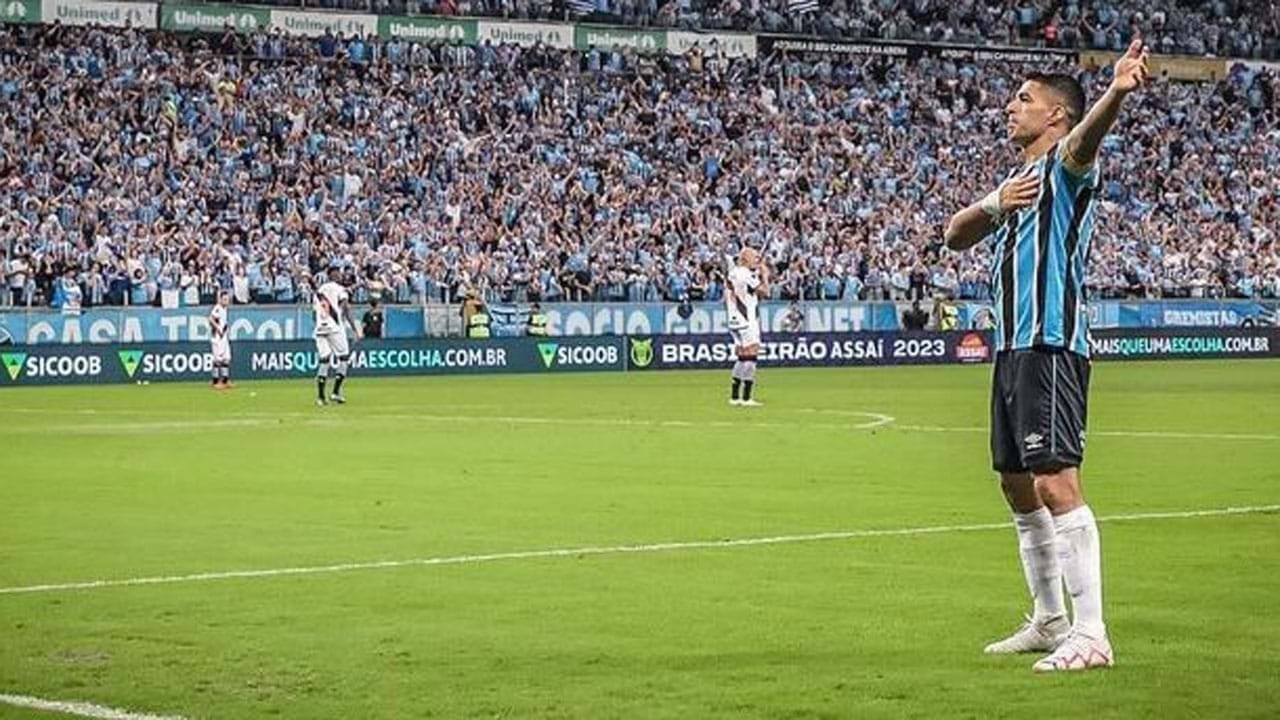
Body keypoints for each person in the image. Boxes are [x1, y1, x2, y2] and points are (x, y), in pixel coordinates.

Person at [944, 38, 1150, 672]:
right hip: (1011, 348)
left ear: (1056, 115)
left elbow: (1087, 142)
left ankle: (1091, 634)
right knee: (1016, 484)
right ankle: (1049, 618)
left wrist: (1114, 91)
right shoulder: (1013, 184)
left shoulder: (1066, 165)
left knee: (1056, 480)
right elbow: (954, 236)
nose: (1012, 106)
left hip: (1051, 342)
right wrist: (991, 203)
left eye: (1024, 99)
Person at [725, 248, 770, 407]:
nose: (757, 259)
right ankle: (746, 398)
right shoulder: (747, 274)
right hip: (747, 319)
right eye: (754, 256)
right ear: (745, 259)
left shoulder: (733, 273)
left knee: (742, 357)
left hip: (734, 319)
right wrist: (764, 276)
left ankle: (735, 396)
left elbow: (749, 293)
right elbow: (766, 292)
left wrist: (756, 272)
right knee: (751, 356)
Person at [313, 273, 362, 406]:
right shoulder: (340, 289)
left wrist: (318, 325)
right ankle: (335, 392)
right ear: (335, 276)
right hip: (335, 328)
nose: (341, 276)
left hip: (320, 329)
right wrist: (355, 329)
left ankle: (321, 397)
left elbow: (314, 312)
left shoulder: (319, 291)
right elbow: (346, 308)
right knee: (344, 357)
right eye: (339, 274)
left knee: (324, 360)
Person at [209, 290, 233, 389]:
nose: (227, 301)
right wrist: (218, 329)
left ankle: (225, 380)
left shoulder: (225, 309)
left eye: (227, 299)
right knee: (217, 359)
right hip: (217, 337)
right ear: (221, 300)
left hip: (224, 337)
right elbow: (210, 319)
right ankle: (215, 381)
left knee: (226, 358)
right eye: (225, 299)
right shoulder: (217, 308)